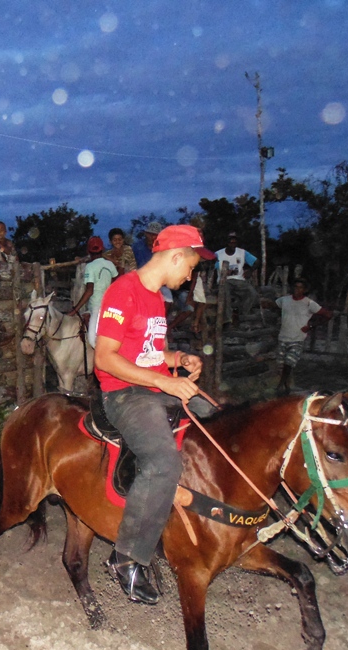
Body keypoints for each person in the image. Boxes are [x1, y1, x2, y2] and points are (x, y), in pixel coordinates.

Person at [94, 225, 216, 604]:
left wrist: (178, 359)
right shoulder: (123, 291)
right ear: (177, 256)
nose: (190, 276)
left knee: (219, 422)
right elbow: (105, 357)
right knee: (163, 462)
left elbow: (148, 351)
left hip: (152, 384)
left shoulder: (157, 298)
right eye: (192, 266)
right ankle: (127, 557)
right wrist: (165, 384)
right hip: (125, 393)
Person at [273, 279, 332, 395]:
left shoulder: (309, 303)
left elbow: (327, 314)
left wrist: (311, 325)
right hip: (283, 336)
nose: (297, 290)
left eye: (300, 288)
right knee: (281, 364)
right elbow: (273, 306)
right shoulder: (284, 300)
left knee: (289, 362)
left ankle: (280, 386)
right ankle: (286, 387)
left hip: (297, 338)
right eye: (295, 287)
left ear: (304, 290)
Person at [68, 235, 118, 348]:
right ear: (102, 249)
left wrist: (75, 310)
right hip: (109, 306)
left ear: (88, 251)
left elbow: (89, 291)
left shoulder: (90, 266)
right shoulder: (110, 265)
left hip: (96, 307)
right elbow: (116, 282)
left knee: (92, 341)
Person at [215, 232, 258, 322]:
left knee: (252, 293)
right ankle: (228, 319)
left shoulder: (242, 252)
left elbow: (256, 262)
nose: (233, 245)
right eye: (230, 242)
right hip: (225, 281)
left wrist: (250, 270)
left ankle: (243, 314)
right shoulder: (218, 254)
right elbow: (211, 266)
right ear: (226, 243)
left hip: (239, 280)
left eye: (234, 243)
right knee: (225, 293)